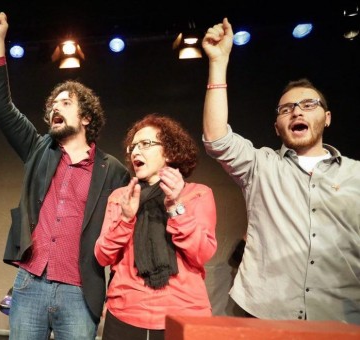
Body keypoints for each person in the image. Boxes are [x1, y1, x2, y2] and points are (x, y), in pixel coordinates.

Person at [0, 12, 131, 339]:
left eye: (65, 102)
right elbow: (2, 109)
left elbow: (125, 234)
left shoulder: (114, 171)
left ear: (87, 118)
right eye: (52, 105)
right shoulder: (39, 149)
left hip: (79, 292)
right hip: (29, 283)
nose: (54, 109)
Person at [202, 18, 360, 324]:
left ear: (326, 118)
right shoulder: (261, 166)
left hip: (339, 320)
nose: (297, 111)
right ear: (277, 127)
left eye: (308, 105)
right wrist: (219, 62)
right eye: (286, 109)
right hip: (264, 315)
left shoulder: (356, 175)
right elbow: (217, 137)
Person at [94, 114, 217, 339]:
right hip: (125, 314)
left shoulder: (197, 193)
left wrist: (176, 207)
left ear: (169, 151)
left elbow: (201, 253)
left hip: (184, 315)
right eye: (133, 147)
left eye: (146, 144)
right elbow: (103, 256)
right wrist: (126, 219)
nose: (135, 152)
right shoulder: (121, 197)